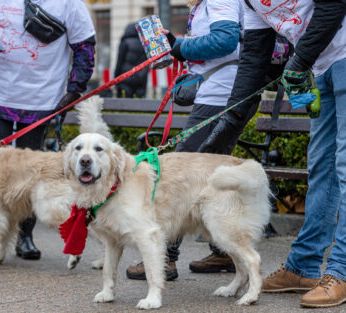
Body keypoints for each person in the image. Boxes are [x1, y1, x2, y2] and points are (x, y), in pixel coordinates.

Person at [198, 0, 346, 308]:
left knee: (344, 166)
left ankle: (341, 270)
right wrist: (231, 119)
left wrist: (298, 60)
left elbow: (334, 5)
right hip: (322, 67)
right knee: (322, 168)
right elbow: (254, 57)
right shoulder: (249, 2)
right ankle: (302, 268)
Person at [126, 0, 243, 281]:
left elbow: (225, 41)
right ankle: (223, 250)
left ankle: (164, 258)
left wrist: (178, 47)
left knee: (175, 176)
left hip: (219, 96)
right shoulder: (206, 5)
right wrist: (173, 43)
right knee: (209, 178)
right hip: (221, 94)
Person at [0, 0, 95, 260]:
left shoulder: (69, 3)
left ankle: (24, 236)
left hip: (41, 99)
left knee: (32, 176)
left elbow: (85, 46)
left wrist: (74, 89)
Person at [114, 23, 148, 98]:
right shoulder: (144, 43)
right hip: (141, 77)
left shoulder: (125, 42)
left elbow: (119, 62)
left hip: (126, 76)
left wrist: (116, 77)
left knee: (124, 101)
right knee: (140, 103)